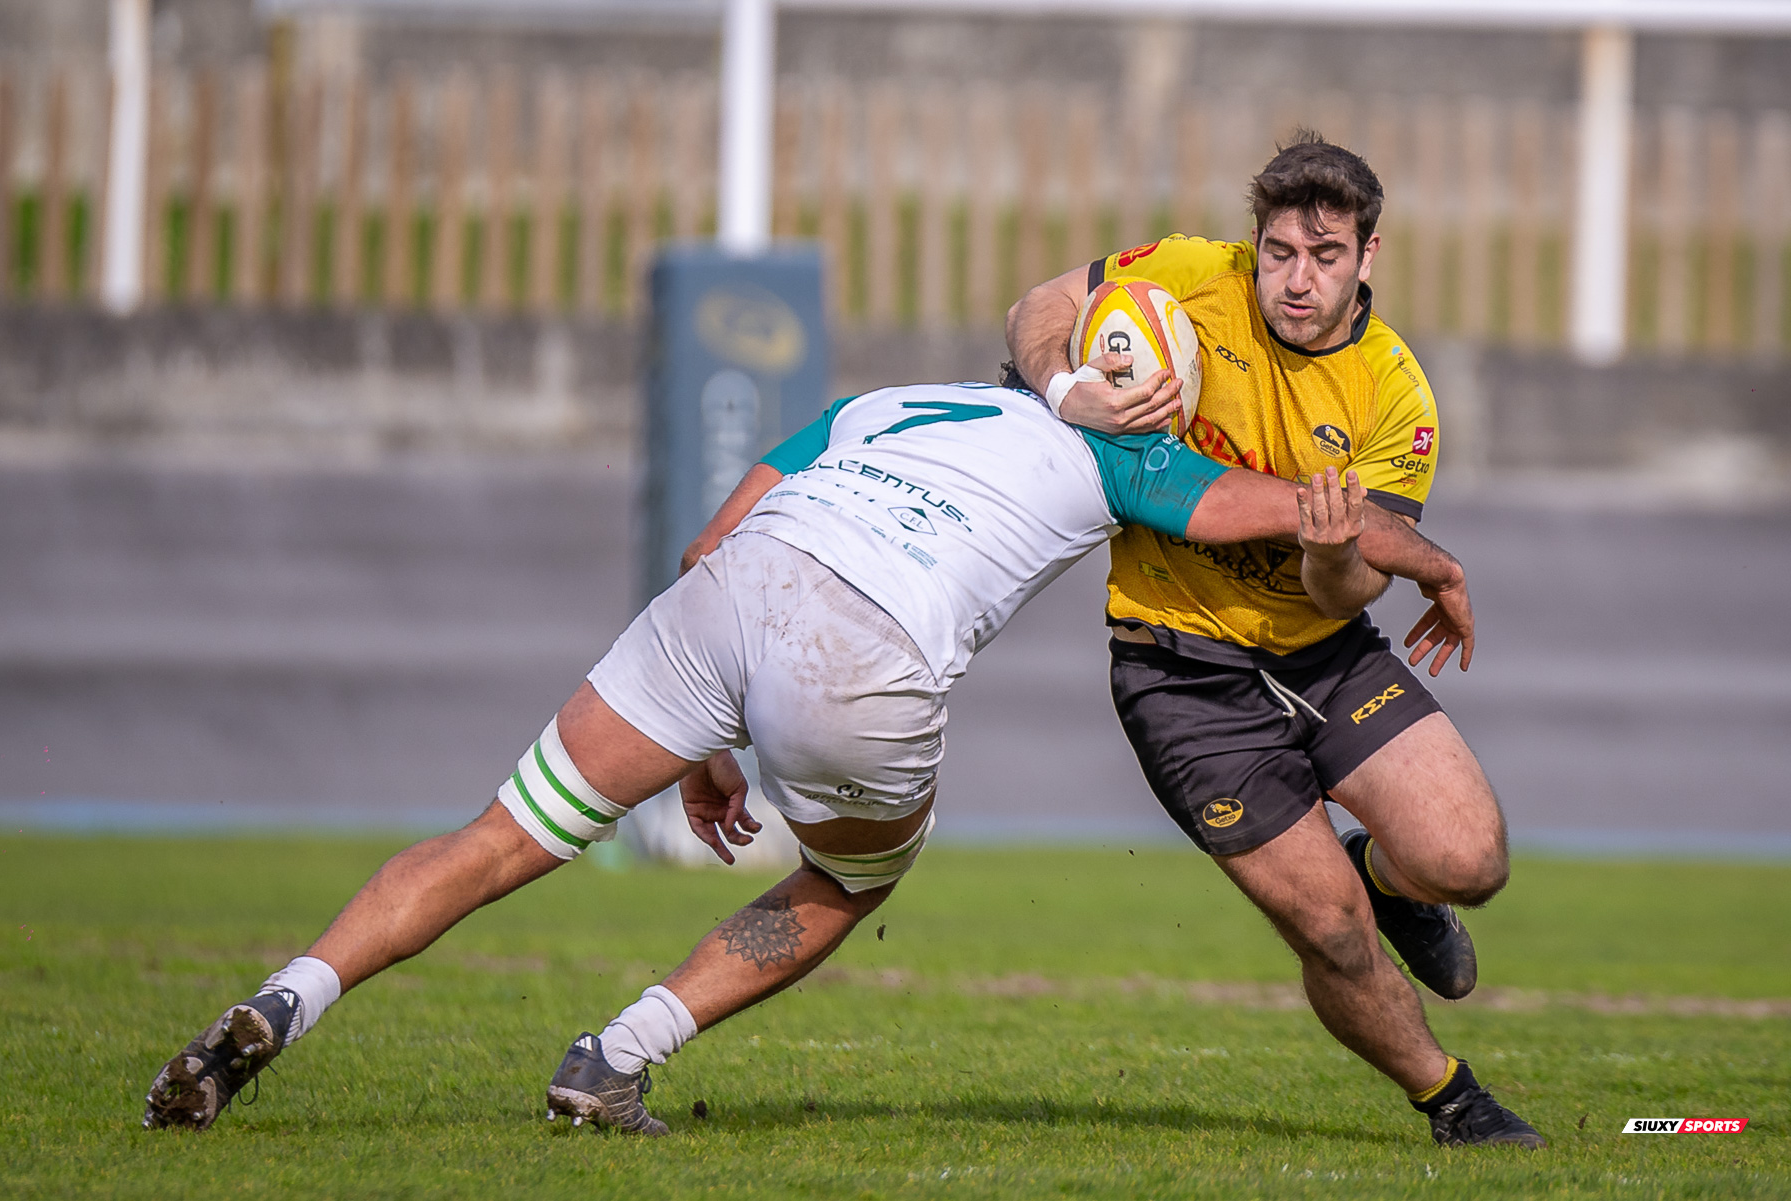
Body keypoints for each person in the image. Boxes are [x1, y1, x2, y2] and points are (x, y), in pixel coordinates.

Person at [142, 379, 1463, 1140]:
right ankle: (615, 1056)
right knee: (849, 882)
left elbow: (706, 550)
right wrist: (1435, 560)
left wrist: (710, 738)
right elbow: (1297, 510)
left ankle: (283, 999)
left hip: (729, 600)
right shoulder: (1124, 456)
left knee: (497, 834)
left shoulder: (880, 399)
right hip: (862, 647)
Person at [1003, 131, 1543, 1148]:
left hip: (1323, 650)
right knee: (1330, 929)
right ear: (1256, 242)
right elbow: (1042, 305)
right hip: (1178, 670)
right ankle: (1453, 1100)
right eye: (1282, 252)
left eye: (1326, 256)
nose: (1297, 280)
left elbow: (1346, 594)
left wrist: (1333, 549)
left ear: (1368, 257)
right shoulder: (1194, 274)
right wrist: (1064, 388)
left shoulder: (1395, 395)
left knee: (1470, 859)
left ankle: (1391, 881)